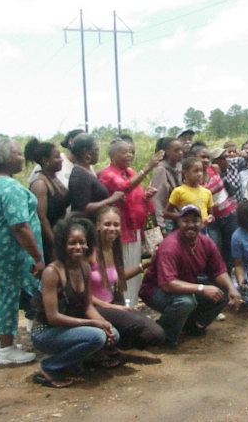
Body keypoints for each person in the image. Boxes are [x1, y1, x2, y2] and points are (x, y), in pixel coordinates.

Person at [0, 138, 43, 365]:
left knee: (1, 293)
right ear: (6, 159)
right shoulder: (11, 188)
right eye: (17, 154)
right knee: (8, 296)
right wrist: (37, 256)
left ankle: (4, 340)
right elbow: (20, 226)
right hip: (6, 250)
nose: (22, 158)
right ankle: (6, 350)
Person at [30, 215, 119, 388]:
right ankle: (49, 367)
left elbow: (87, 306)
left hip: (68, 329)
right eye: (72, 243)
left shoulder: (84, 267)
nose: (78, 247)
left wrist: (104, 323)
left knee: (113, 334)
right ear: (63, 244)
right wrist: (93, 323)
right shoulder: (52, 272)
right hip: (46, 332)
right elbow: (53, 317)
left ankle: (78, 361)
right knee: (97, 337)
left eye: (82, 242)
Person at [139, 204, 242, 348]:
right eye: (186, 221)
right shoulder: (170, 246)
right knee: (185, 302)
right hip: (155, 291)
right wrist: (201, 288)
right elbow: (167, 284)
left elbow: (218, 270)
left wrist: (232, 288)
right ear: (178, 222)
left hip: (184, 286)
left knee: (222, 291)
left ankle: (191, 324)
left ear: (201, 223)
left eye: (195, 221)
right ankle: (163, 335)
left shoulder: (205, 242)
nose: (191, 225)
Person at [98, 139, 164, 306]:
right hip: (120, 230)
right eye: (124, 152)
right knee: (124, 269)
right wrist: (148, 167)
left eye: (131, 152)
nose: (129, 155)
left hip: (135, 229)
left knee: (134, 268)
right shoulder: (108, 174)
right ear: (112, 155)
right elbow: (124, 187)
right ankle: (123, 306)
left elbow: (136, 195)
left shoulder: (130, 171)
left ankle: (132, 305)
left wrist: (146, 196)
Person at [90, 207, 165, 349]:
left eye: (116, 225)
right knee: (136, 323)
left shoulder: (114, 249)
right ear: (97, 225)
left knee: (156, 334)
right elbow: (81, 295)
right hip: (94, 308)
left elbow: (118, 277)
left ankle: (116, 344)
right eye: (107, 224)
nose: (112, 228)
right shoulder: (89, 253)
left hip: (112, 304)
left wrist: (147, 264)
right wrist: (111, 307)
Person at [24, 138, 70, 265]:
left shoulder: (53, 178)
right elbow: (42, 218)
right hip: (48, 241)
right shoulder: (40, 184)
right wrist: (55, 243)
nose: (61, 160)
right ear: (45, 160)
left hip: (60, 234)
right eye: (56, 157)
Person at [68, 134, 124, 220]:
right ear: (85, 152)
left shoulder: (87, 172)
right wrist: (111, 199)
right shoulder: (79, 175)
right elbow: (83, 209)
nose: (98, 152)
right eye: (96, 149)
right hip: (86, 227)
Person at [204, 147, 237, 270]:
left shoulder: (214, 169)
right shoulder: (194, 176)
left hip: (229, 213)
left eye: (225, 157)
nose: (225, 160)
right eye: (221, 158)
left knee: (230, 248)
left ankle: (227, 278)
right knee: (214, 249)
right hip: (212, 219)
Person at [165, 157, 214, 226]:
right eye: (195, 171)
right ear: (186, 172)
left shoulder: (207, 192)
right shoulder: (179, 191)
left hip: (203, 229)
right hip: (187, 229)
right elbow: (166, 213)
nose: (200, 174)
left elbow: (210, 214)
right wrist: (183, 216)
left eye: (201, 171)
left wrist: (209, 219)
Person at [150, 138, 183, 235]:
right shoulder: (161, 169)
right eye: (176, 150)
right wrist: (161, 226)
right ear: (167, 152)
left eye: (181, 150)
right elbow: (158, 199)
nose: (180, 153)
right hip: (168, 220)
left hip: (178, 214)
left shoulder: (179, 167)